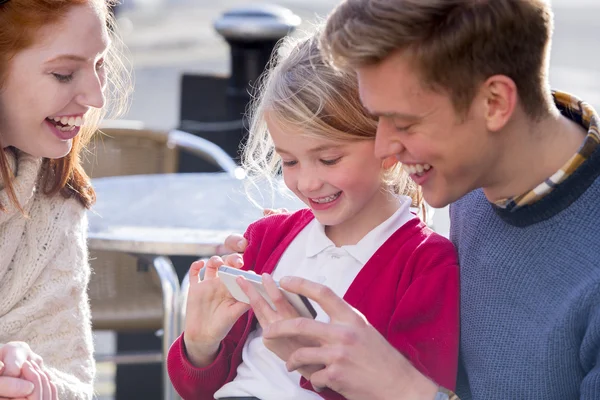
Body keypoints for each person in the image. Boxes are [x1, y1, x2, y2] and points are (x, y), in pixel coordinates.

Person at [221, 0, 600, 399]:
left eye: (404, 123)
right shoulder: (471, 177)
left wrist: (401, 388)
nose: (384, 147)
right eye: (376, 118)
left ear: (495, 103)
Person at [167, 32, 460, 400]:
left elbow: (411, 391)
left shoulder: (425, 264)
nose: (306, 181)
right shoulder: (267, 239)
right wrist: (199, 344)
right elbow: (199, 388)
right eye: (288, 161)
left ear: (387, 147)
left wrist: (310, 360)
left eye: (329, 159)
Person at [0, 0, 129, 398]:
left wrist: (37, 387)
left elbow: (74, 383)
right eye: (63, 74)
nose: (95, 98)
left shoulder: (54, 198)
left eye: (101, 63)